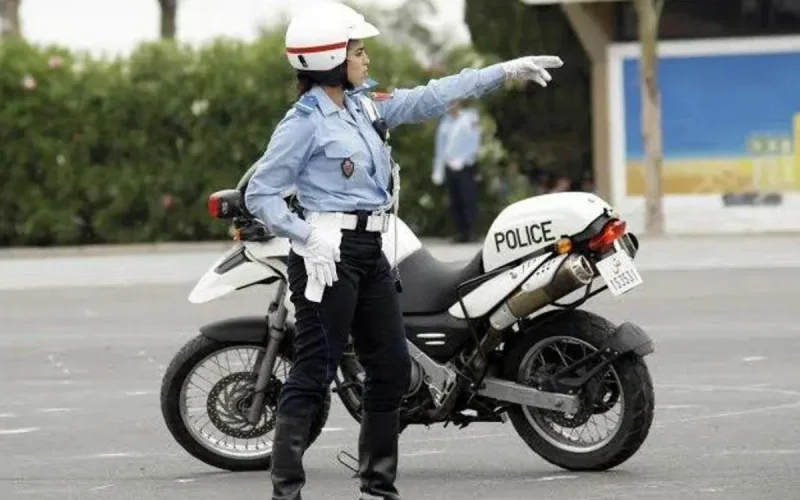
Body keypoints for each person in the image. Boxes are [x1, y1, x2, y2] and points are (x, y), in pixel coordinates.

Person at [243, 3, 563, 499]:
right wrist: (306, 235)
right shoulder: (303, 123)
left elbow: (431, 97)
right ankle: (287, 492)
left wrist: (504, 72)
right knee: (313, 373)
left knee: (390, 369)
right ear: (329, 57)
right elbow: (260, 193)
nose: (366, 58)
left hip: (371, 251)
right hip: (327, 257)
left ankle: (377, 487)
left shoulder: (362, 106)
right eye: (357, 50)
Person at [432, 100, 482, 242]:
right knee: (455, 201)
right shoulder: (444, 122)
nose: (451, 106)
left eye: (453, 103)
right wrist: (438, 169)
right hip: (450, 166)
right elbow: (440, 147)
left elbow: (475, 140)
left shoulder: (470, 117)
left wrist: (465, 158)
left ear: (459, 103)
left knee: (468, 199)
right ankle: (460, 233)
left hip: (466, 166)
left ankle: (471, 232)